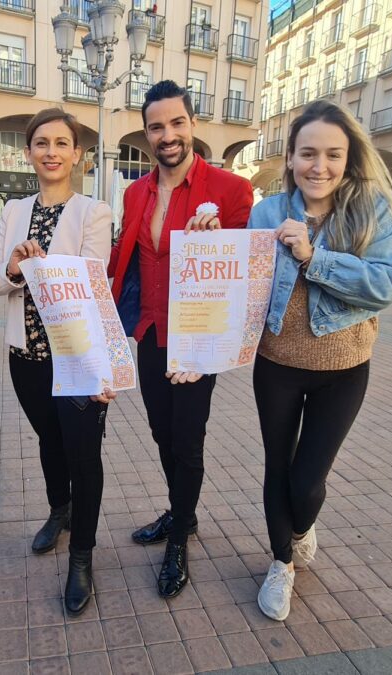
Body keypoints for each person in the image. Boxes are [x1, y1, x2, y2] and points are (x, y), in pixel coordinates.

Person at [247, 100, 392, 620]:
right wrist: (216, 241)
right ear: (290, 158)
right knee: (278, 466)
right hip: (275, 364)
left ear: (349, 158)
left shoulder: (375, 211)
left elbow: (388, 285)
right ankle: (281, 564)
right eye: (308, 154)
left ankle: (300, 527)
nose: (319, 166)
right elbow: (242, 283)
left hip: (343, 369)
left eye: (333, 155)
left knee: (308, 479)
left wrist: (314, 257)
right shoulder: (268, 213)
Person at [109, 80, 254, 598]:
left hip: (196, 336)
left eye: (176, 123)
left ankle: (180, 536)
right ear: (146, 133)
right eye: (156, 126)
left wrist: (219, 242)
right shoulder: (135, 192)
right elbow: (122, 261)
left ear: (192, 125)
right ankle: (179, 512)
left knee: (188, 439)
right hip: (150, 331)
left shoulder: (231, 190)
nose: (166, 135)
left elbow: (240, 273)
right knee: (161, 432)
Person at [0, 108, 114, 615]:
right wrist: (15, 267)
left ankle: (82, 555)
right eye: (41, 143)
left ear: (76, 154)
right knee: (49, 441)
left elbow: (91, 283)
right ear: (29, 152)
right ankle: (60, 511)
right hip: (26, 357)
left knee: (84, 454)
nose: (51, 151)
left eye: (61, 143)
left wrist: (48, 267)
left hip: (76, 359)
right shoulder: (13, 210)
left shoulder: (92, 212)